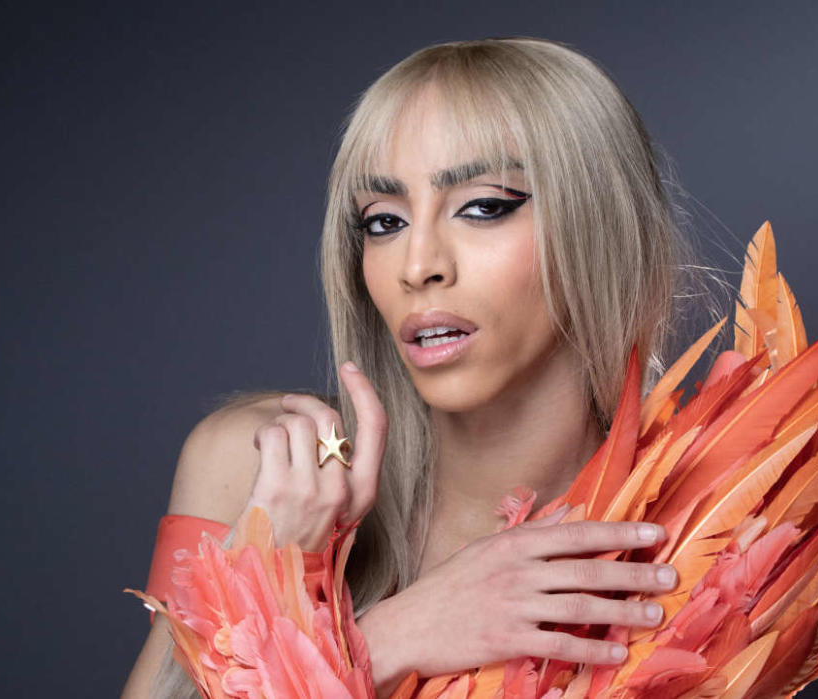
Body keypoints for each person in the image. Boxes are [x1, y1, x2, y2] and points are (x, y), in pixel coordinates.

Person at [123, 36, 738, 698]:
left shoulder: (698, 539)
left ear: (600, 226)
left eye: (483, 206)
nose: (417, 265)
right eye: (383, 221)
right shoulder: (266, 466)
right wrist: (384, 637)